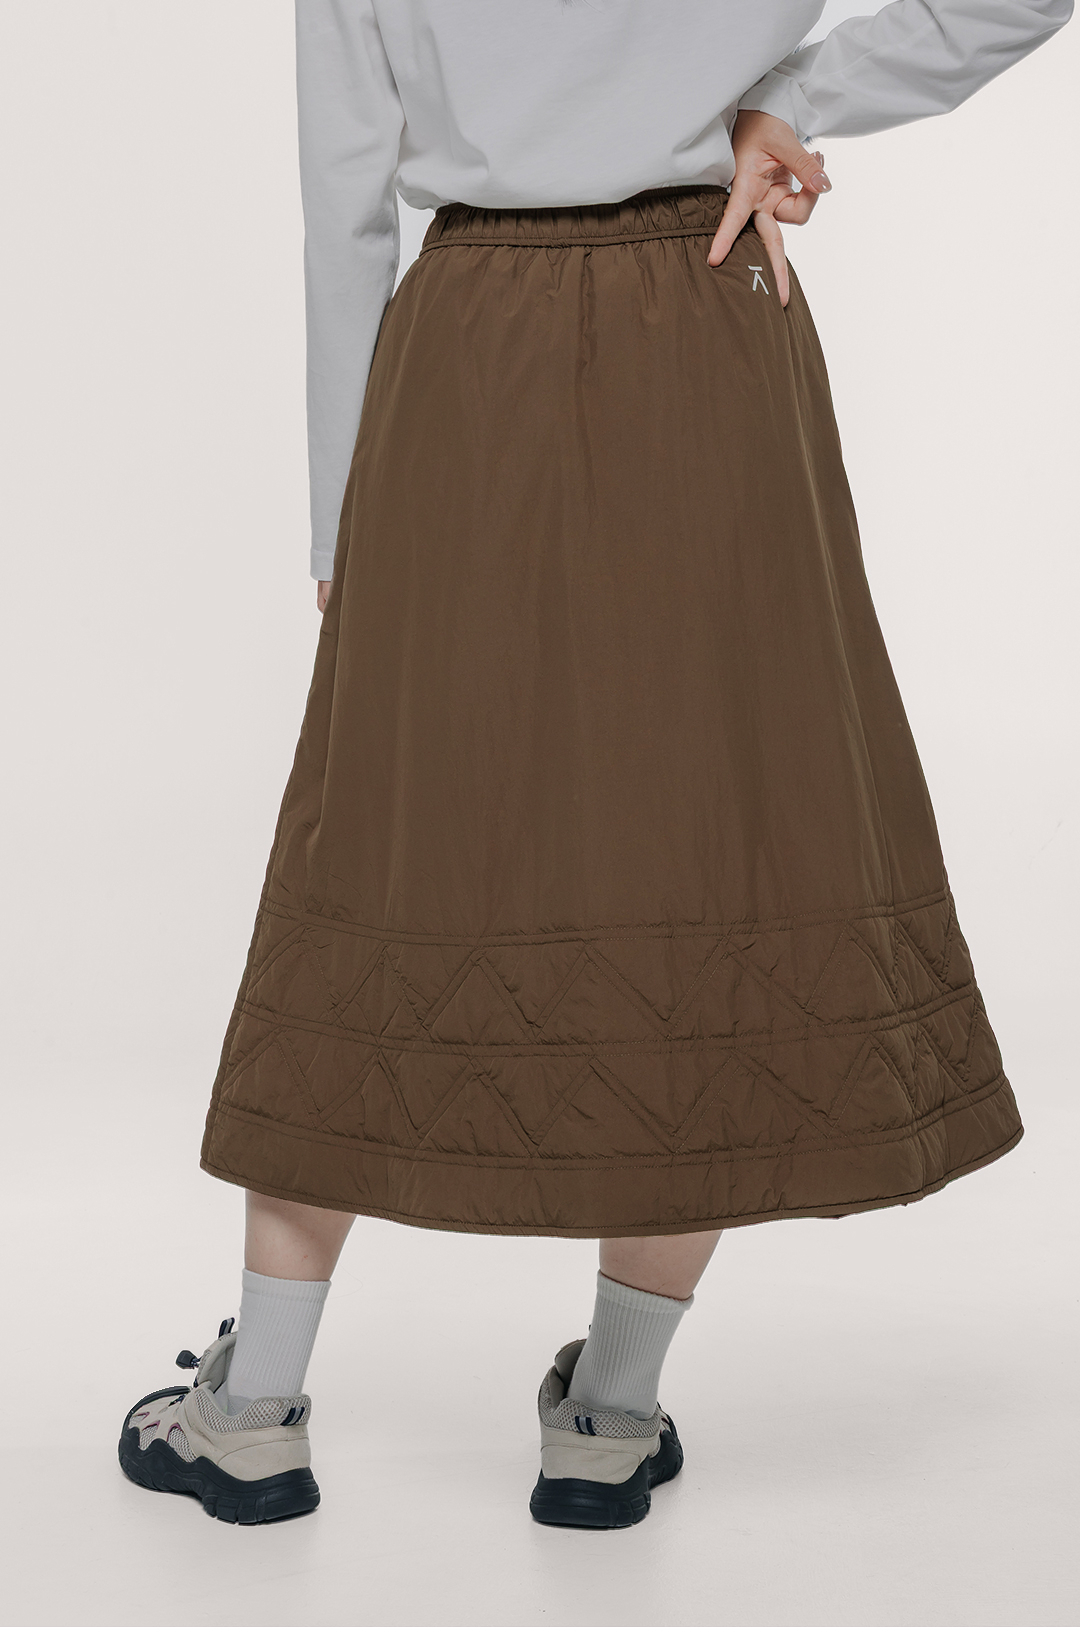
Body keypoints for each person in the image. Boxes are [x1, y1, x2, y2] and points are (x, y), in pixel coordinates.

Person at [118, 0, 1071, 1529]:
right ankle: (611, 1415)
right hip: (705, 322)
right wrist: (798, 89)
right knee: (698, 850)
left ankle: (252, 1411)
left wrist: (337, 515)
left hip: (465, 357)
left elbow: (345, 208)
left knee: (376, 853)